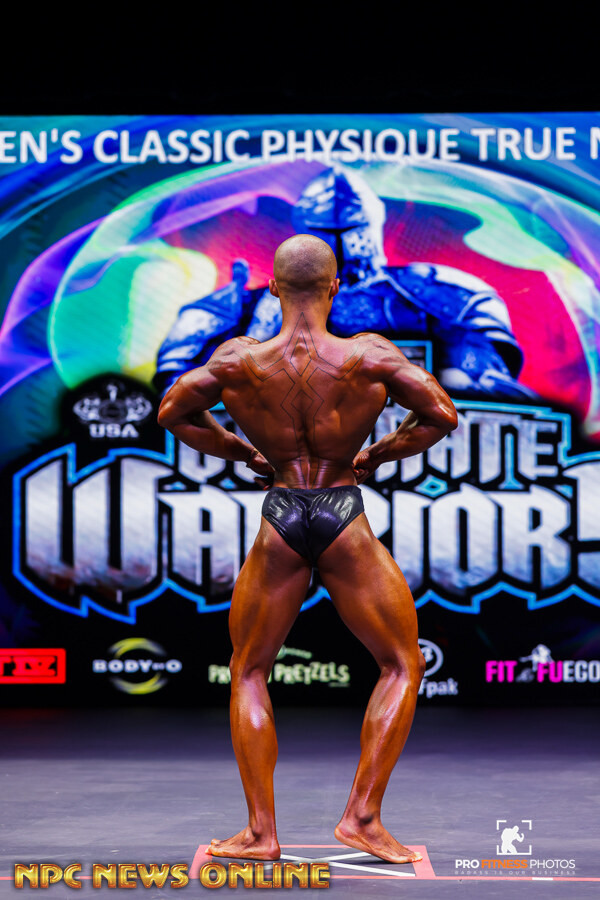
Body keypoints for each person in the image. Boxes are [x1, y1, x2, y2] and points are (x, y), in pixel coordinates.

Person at [158, 234, 458, 865]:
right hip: (343, 512)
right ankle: (362, 817)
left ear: (271, 286)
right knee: (402, 663)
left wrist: (241, 451)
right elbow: (441, 414)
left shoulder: (239, 359)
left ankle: (260, 834)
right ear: (335, 287)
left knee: (249, 671)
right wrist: (377, 453)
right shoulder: (369, 355)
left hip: (281, 514)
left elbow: (172, 412)